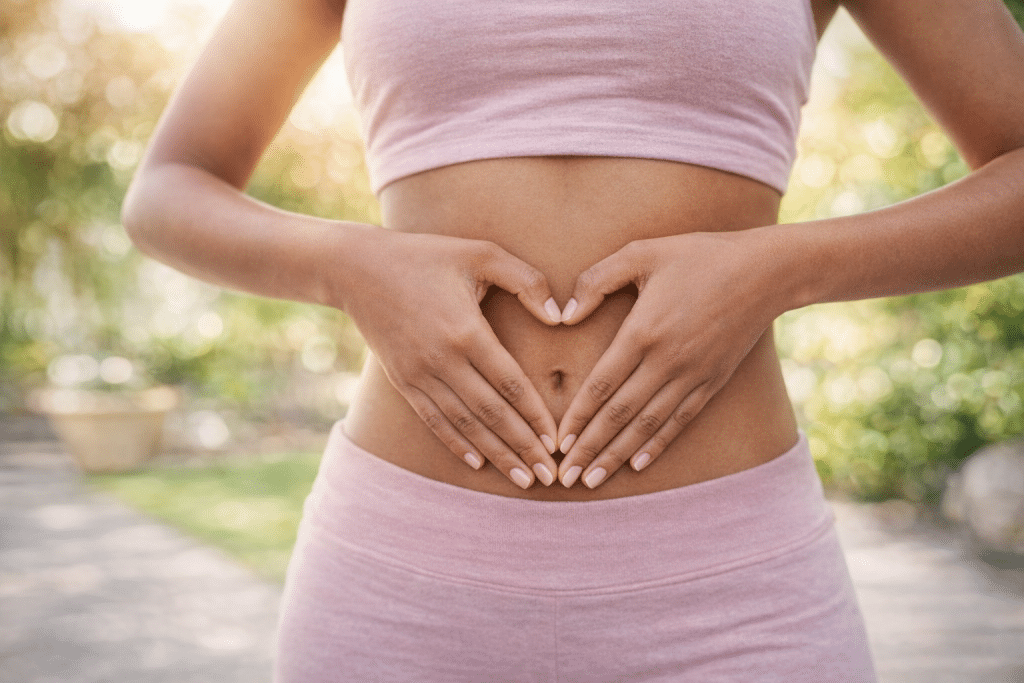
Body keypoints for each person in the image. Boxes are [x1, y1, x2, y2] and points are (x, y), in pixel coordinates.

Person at [121, 0, 1024, 679]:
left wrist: (776, 270)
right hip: (401, 585)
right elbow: (169, 188)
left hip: (731, 597)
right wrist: (352, 267)